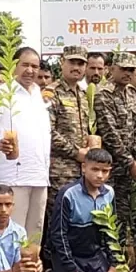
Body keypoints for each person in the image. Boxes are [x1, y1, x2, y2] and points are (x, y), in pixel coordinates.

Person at [0, 47, 52, 237]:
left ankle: (30, 267)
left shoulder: (40, 95)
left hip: (39, 175)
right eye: (26, 65)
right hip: (12, 176)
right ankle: (11, 268)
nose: (30, 70)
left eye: (35, 66)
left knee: (35, 232)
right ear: (14, 66)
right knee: (12, 233)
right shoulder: (0, 94)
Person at [47, 149, 120, 272]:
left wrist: (113, 265)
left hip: (93, 255)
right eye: (95, 169)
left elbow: (111, 231)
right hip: (70, 255)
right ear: (84, 168)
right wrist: (72, 271)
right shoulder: (68, 194)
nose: (100, 175)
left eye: (105, 171)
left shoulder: (109, 193)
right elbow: (58, 235)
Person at [93, 51, 136, 244]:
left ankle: (121, 253)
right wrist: (131, 162)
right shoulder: (103, 94)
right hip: (107, 165)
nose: (127, 73)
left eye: (131, 70)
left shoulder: (132, 93)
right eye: (123, 69)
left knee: (123, 211)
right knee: (105, 210)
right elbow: (110, 133)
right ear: (111, 69)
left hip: (127, 165)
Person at [45, 46, 90, 242]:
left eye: (81, 63)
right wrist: (76, 152)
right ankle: (54, 268)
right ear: (62, 62)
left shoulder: (82, 93)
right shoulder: (50, 93)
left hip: (81, 169)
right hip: (59, 170)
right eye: (72, 62)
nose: (77, 67)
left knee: (77, 220)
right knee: (57, 220)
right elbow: (47, 132)